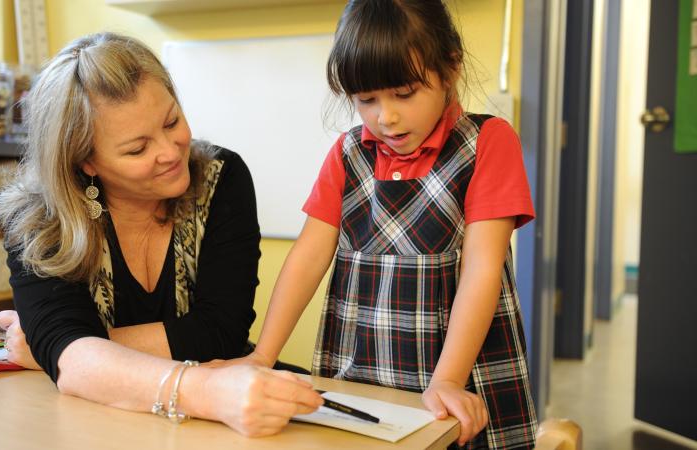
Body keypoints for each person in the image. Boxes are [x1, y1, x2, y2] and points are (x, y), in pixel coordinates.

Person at [220, 1, 538, 448]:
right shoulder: (348, 154)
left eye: (404, 93)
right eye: (366, 100)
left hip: (461, 377)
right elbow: (308, 256)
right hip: (362, 377)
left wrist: (447, 380)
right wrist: (262, 355)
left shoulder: (487, 143)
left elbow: (482, 270)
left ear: (449, 69)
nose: (385, 116)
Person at [0, 32, 322, 437]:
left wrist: (76, 351)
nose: (171, 152)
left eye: (172, 121)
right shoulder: (37, 217)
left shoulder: (222, 177)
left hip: (219, 419)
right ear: (86, 163)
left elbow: (220, 332)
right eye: (137, 149)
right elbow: (69, 357)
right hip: (96, 429)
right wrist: (68, 352)